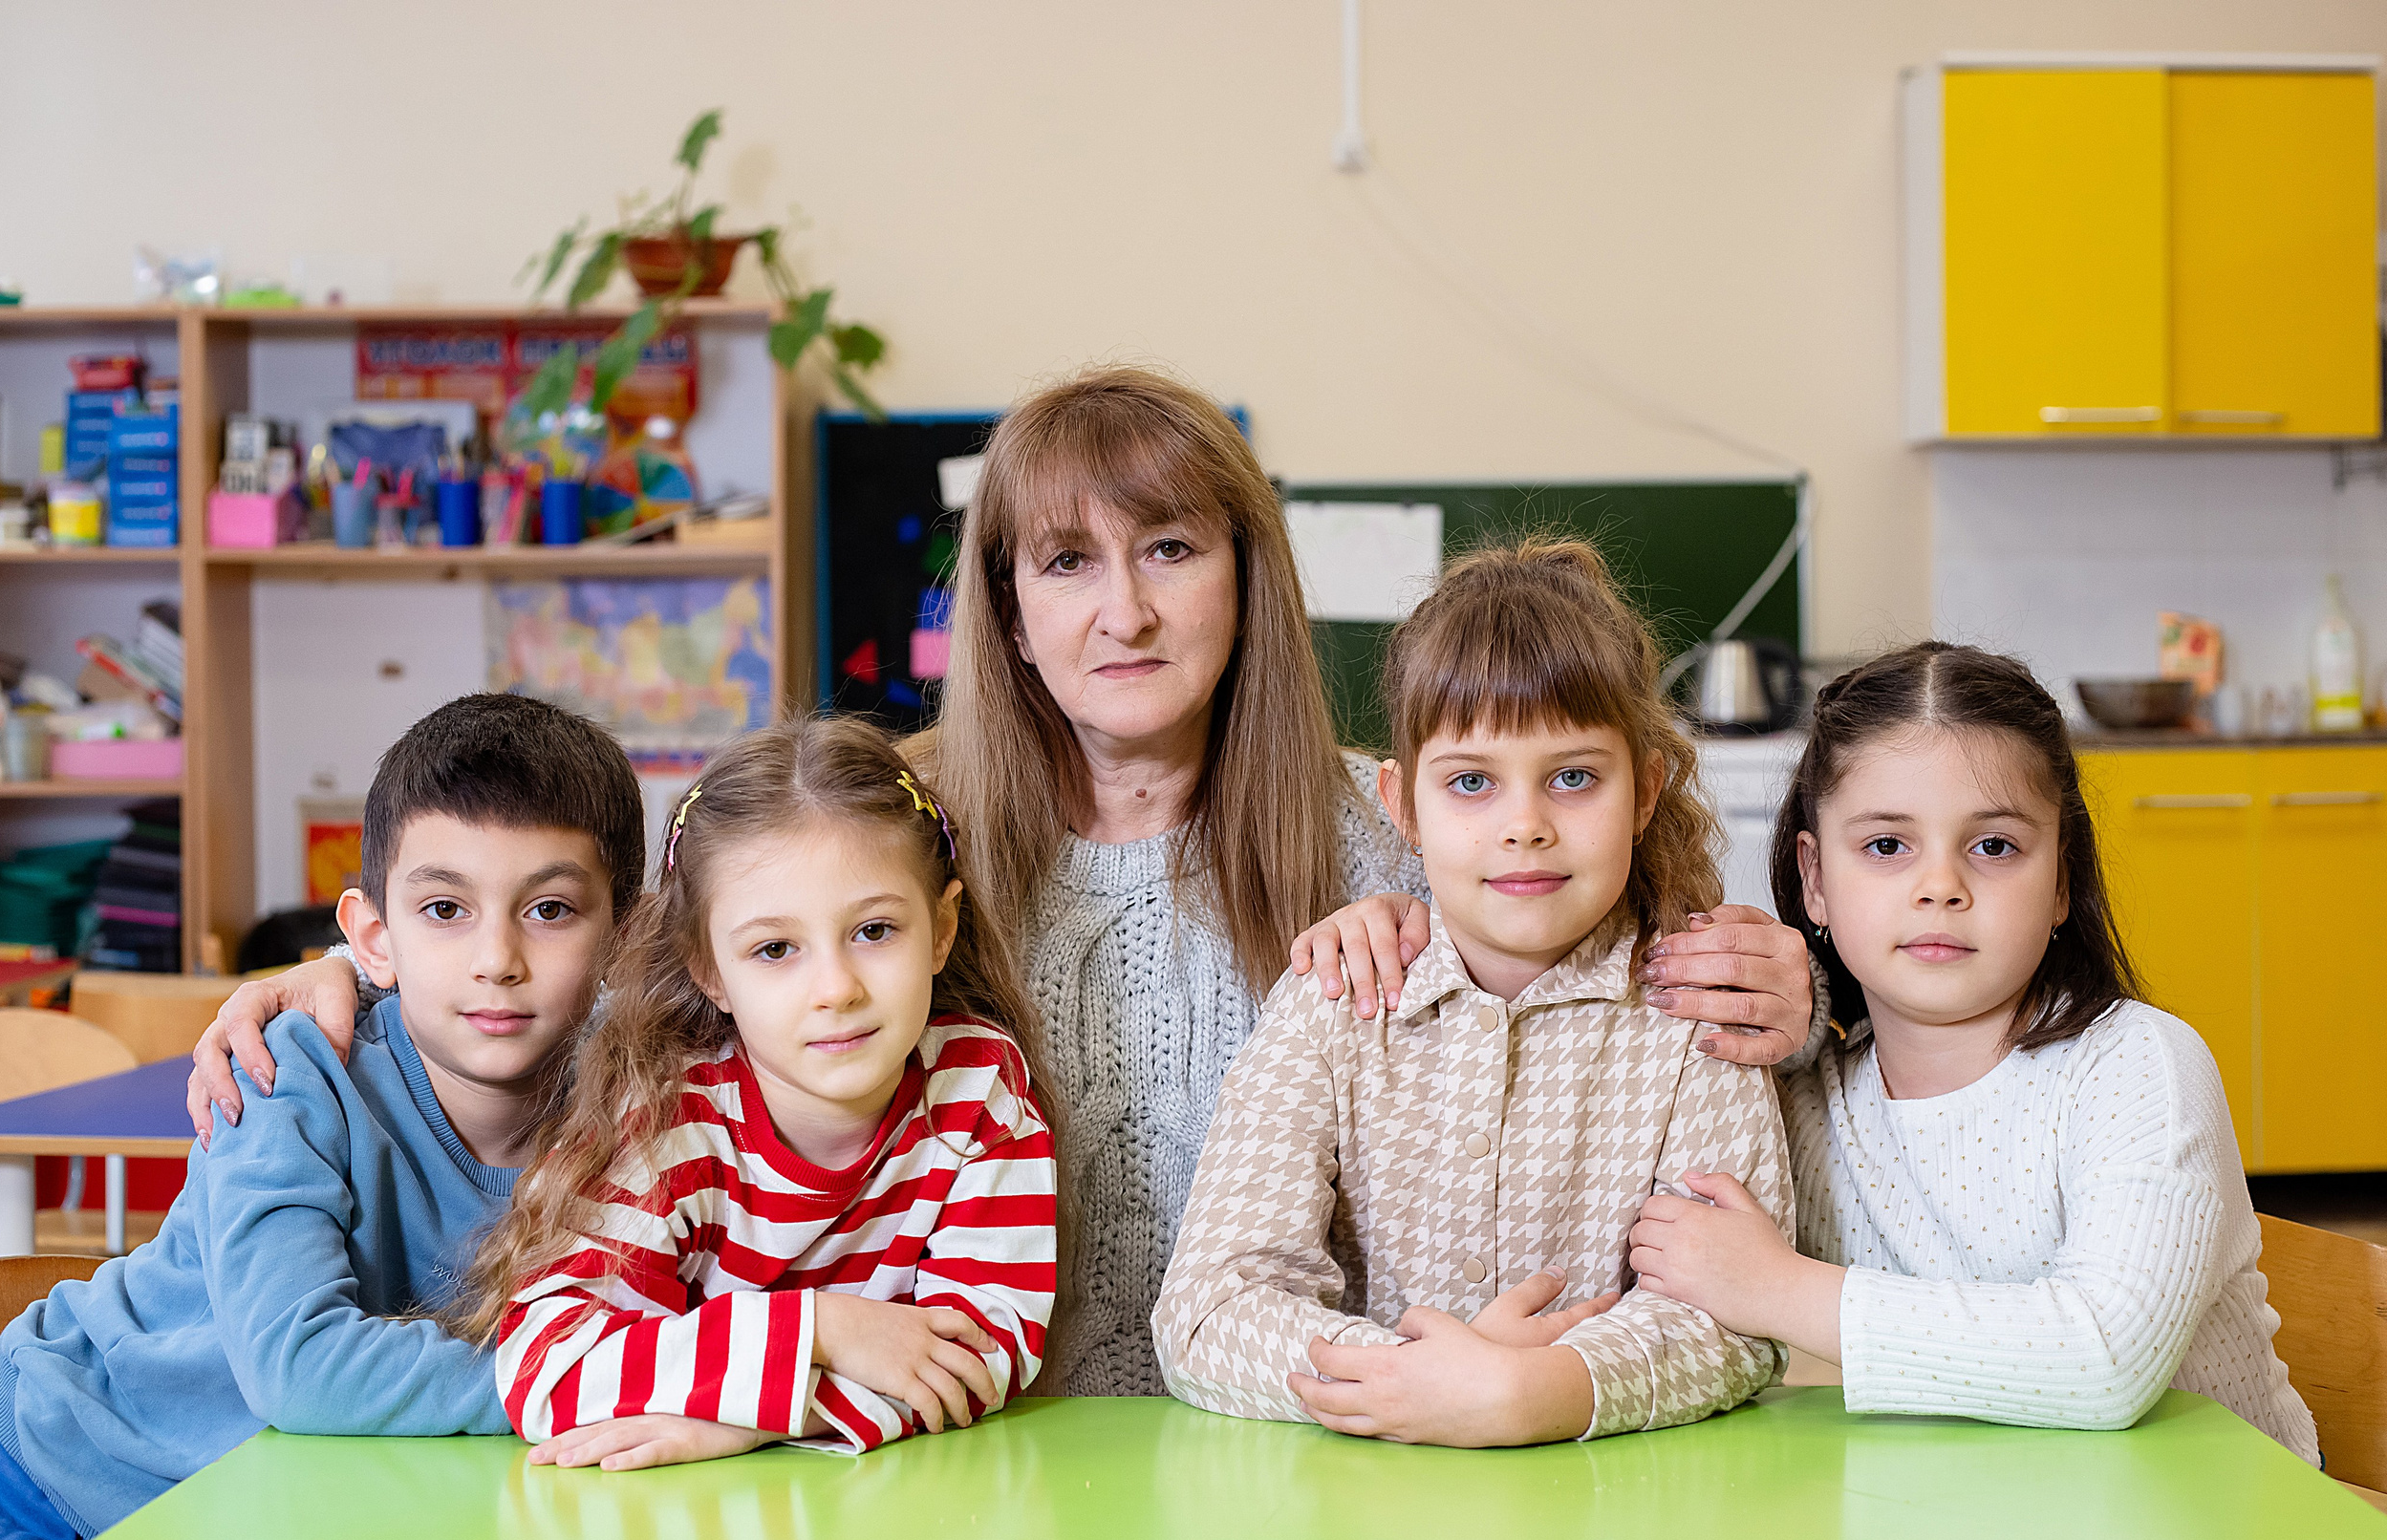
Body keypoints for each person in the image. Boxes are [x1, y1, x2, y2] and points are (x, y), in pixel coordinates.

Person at [185, 366, 1819, 1396]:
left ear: (1248, 578)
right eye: (1067, 562)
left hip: (1336, 1433)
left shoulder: (1396, 825)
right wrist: (340, 981)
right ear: (1009, 608)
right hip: (953, 1436)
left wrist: (1805, 995)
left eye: (1173, 547)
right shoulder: (892, 836)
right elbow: (625, 982)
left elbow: (1613, 964)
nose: (1125, 609)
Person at [0, 694, 641, 1540]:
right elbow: (301, 1365)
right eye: (444, 909)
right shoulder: (288, 1069)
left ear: (629, 933)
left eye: (550, 909)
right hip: (39, 1483)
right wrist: (622, 1377)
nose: (496, 959)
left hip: (260, 1513)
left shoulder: (639, 1096)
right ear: (373, 936)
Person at [1152, 538, 1792, 1445]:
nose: (1524, 826)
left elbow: (1735, 1319)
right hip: (1367, 1535)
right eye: (1470, 783)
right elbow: (1210, 1311)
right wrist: (1419, 1382)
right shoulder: (1333, 1002)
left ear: (1645, 791)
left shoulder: (1695, 1010)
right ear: (1401, 803)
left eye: (1573, 778)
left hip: (1619, 1536)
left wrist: (1536, 1390)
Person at [1623, 643, 2318, 1460]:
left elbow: (2104, 1359)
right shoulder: (1799, 1099)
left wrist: (1777, 1288)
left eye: (1993, 846)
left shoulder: (2138, 1065)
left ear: (2061, 878)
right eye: (1886, 846)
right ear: (1814, 877)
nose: (1940, 886)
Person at [466, 717, 1059, 1467]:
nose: (837, 989)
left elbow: (981, 1351)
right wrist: (823, 1331)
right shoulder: (670, 1120)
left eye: (875, 929)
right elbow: (546, 1369)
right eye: (775, 948)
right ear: (710, 969)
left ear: (940, 929)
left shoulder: (978, 1091)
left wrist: (754, 1421)